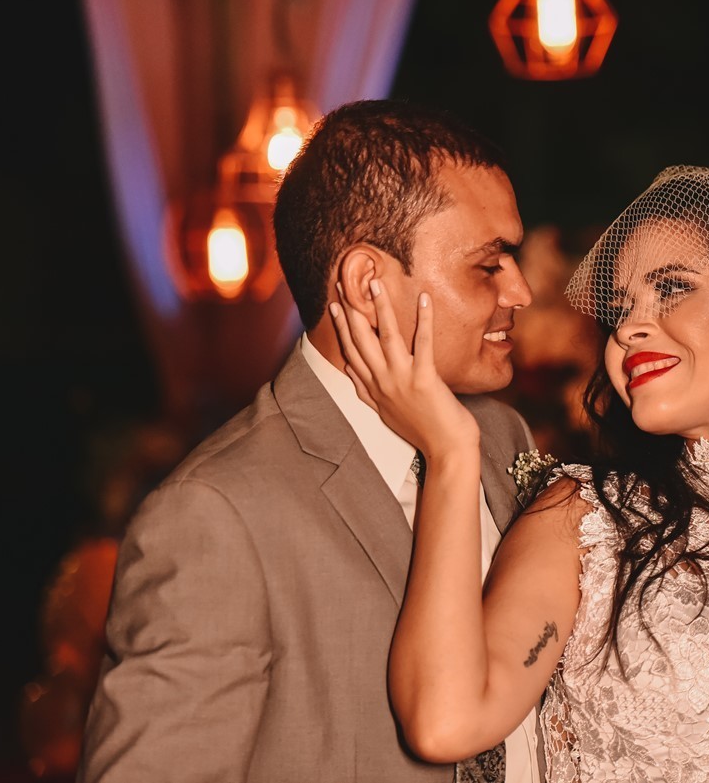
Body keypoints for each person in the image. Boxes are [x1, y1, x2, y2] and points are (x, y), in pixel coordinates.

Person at [331, 154, 709, 782]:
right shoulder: (584, 519)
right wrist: (450, 454)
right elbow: (445, 722)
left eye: (672, 288)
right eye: (621, 305)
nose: (629, 326)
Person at [78, 99, 544, 783]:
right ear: (366, 283)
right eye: (489, 264)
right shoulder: (216, 514)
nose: (522, 291)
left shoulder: (503, 436)